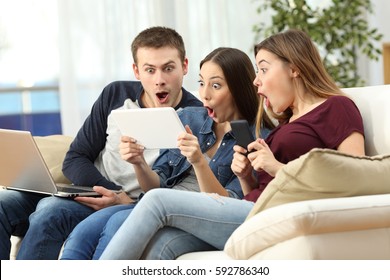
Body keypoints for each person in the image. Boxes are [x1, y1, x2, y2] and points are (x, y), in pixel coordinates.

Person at [99, 29, 366, 260]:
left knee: (157, 201)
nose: (256, 80)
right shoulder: (288, 120)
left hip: (269, 213)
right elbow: (258, 188)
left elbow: (354, 180)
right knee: (163, 243)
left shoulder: (337, 107)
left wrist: (275, 166)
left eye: (263, 68)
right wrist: (247, 175)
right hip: (251, 207)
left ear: (294, 68)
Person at [0, 26, 203, 260]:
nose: (159, 80)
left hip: (134, 205)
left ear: (184, 66)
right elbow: (75, 158)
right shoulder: (116, 94)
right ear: (136, 71)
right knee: (3, 204)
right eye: (150, 70)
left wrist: (123, 201)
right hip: (93, 191)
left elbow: (178, 191)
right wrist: (111, 192)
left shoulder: (197, 117)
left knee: (49, 212)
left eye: (168, 69)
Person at [60, 47, 274, 260]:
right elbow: (156, 186)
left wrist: (199, 162)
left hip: (196, 214)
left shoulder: (259, 140)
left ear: (239, 88)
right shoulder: (190, 117)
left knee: (116, 222)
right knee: (83, 232)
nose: (204, 94)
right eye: (201, 83)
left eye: (215, 85)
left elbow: (225, 207)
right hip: (155, 206)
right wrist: (139, 163)